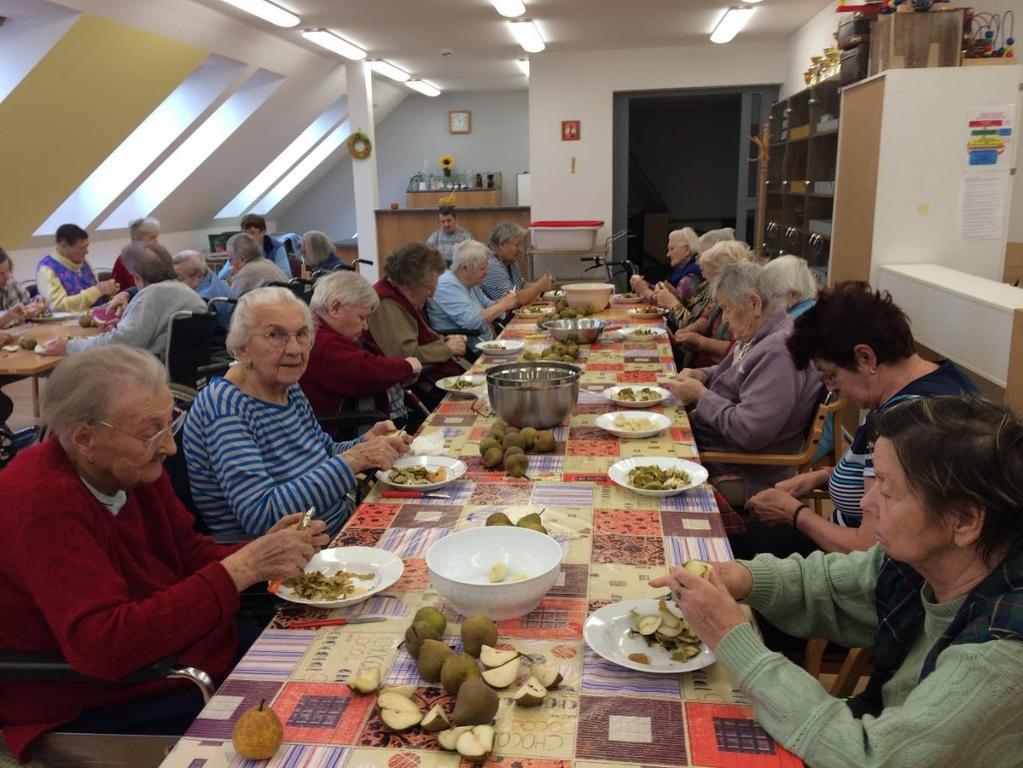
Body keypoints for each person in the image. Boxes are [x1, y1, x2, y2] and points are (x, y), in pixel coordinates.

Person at [651, 396, 1023, 768]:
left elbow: (868, 757)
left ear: (965, 520)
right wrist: (742, 577)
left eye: (888, 490)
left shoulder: (997, 659)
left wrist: (731, 637)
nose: (866, 503)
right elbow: (830, 585)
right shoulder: (923, 560)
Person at [0, 346, 329, 763]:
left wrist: (262, 551)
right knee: (302, 729)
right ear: (85, 437)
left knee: (319, 665)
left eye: (170, 423)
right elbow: (104, 646)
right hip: (105, 694)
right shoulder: (39, 501)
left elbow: (189, 554)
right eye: (151, 431)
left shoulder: (131, 468)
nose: (170, 447)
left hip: (189, 651)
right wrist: (242, 568)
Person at [736, 282, 979, 559]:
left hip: (849, 567)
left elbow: (869, 549)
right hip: (837, 545)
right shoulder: (943, 380)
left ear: (865, 357)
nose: (830, 388)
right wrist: (821, 478)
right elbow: (874, 477)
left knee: (727, 547)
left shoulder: (903, 426)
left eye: (831, 375)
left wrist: (793, 513)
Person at [183, 287, 410, 538]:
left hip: (337, 526)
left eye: (302, 334)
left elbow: (320, 452)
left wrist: (366, 443)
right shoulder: (225, 407)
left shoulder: (286, 386)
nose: (294, 349)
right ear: (242, 347)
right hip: (289, 559)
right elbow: (262, 517)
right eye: (275, 335)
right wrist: (354, 459)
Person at [664, 261, 822, 508]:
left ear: (755, 304)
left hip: (746, 471)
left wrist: (702, 396)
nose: (724, 320)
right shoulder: (762, 333)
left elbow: (749, 432)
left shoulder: (779, 352)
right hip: (724, 450)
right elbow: (739, 372)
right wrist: (704, 374)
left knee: (656, 463)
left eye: (727, 309)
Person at [39, 242, 208, 360]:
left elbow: (120, 342)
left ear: (138, 278)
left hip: (150, 372)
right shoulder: (186, 292)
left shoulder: (152, 295)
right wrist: (124, 324)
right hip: (180, 368)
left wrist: (68, 347)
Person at [301, 271, 422, 429]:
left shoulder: (326, 334)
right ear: (335, 308)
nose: (365, 326)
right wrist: (407, 366)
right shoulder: (323, 342)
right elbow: (368, 371)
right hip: (341, 435)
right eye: (361, 317)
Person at [366, 241, 467, 383]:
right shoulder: (386, 304)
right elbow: (405, 357)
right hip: (425, 385)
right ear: (408, 283)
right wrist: (447, 349)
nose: (432, 294)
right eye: (428, 288)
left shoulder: (404, 296)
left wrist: (446, 341)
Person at [671, 240, 753, 367]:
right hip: (702, 366)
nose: (706, 283)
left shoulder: (744, 304)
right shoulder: (721, 298)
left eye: (711, 280)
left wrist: (700, 343)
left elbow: (738, 350)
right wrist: (691, 329)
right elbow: (707, 317)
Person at [427, 240, 518, 352]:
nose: (487, 272)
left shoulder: (471, 281)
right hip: (469, 349)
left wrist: (503, 302)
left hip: (487, 342)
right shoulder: (446, 285)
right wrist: (502, 305)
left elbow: (489, 305)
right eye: (482, 268)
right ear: (465, 268)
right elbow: (472, 322)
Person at [36, 224, 119, 312]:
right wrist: (97, 290)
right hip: (67, 324)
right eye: (81, 248)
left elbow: (95, 293)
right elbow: (57, 306)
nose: (86, 252)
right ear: (63, 246)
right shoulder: (47, 269)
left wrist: (108, 291)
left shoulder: (81, 262)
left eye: (86, 246)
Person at [478, 221, 553, 310]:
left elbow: (521, 288)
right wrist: (538, 287)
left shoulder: (511, 263)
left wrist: (543, 284)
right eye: (517, 245)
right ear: (502, 245)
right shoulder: (491, 266)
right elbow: (513, 300)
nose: (520, 250)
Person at [629, 227, 701, 304]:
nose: (668, 254)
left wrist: (645, 291)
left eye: (672, 249)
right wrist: (644, 285)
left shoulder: (691, 277)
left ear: (687, 250)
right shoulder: (680, 270)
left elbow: (672, 305)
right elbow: (665, 293)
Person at [173, 249, 237, 334]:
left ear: (199, 276)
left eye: (179, 279)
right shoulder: (210, 277)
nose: (174, 283)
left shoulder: (203, 300)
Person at [224, 232, 289, 295]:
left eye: (231, 260)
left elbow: (232, 303)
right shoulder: (269, 263)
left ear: (242, 259)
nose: (231, 266)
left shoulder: (246, 274)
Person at [110, 216, 160, 296]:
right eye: (152, 238)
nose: (156, 242)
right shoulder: (127, 259)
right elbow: (142, 288)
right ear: (137, 238)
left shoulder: (154, 255)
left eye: (156, 237)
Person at [0, 246, 45, 329]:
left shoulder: (11, 283)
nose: (7, 276)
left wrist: (36, 305)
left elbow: (26, 306)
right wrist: (8, 316)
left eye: (8, 270)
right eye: (1, 274)